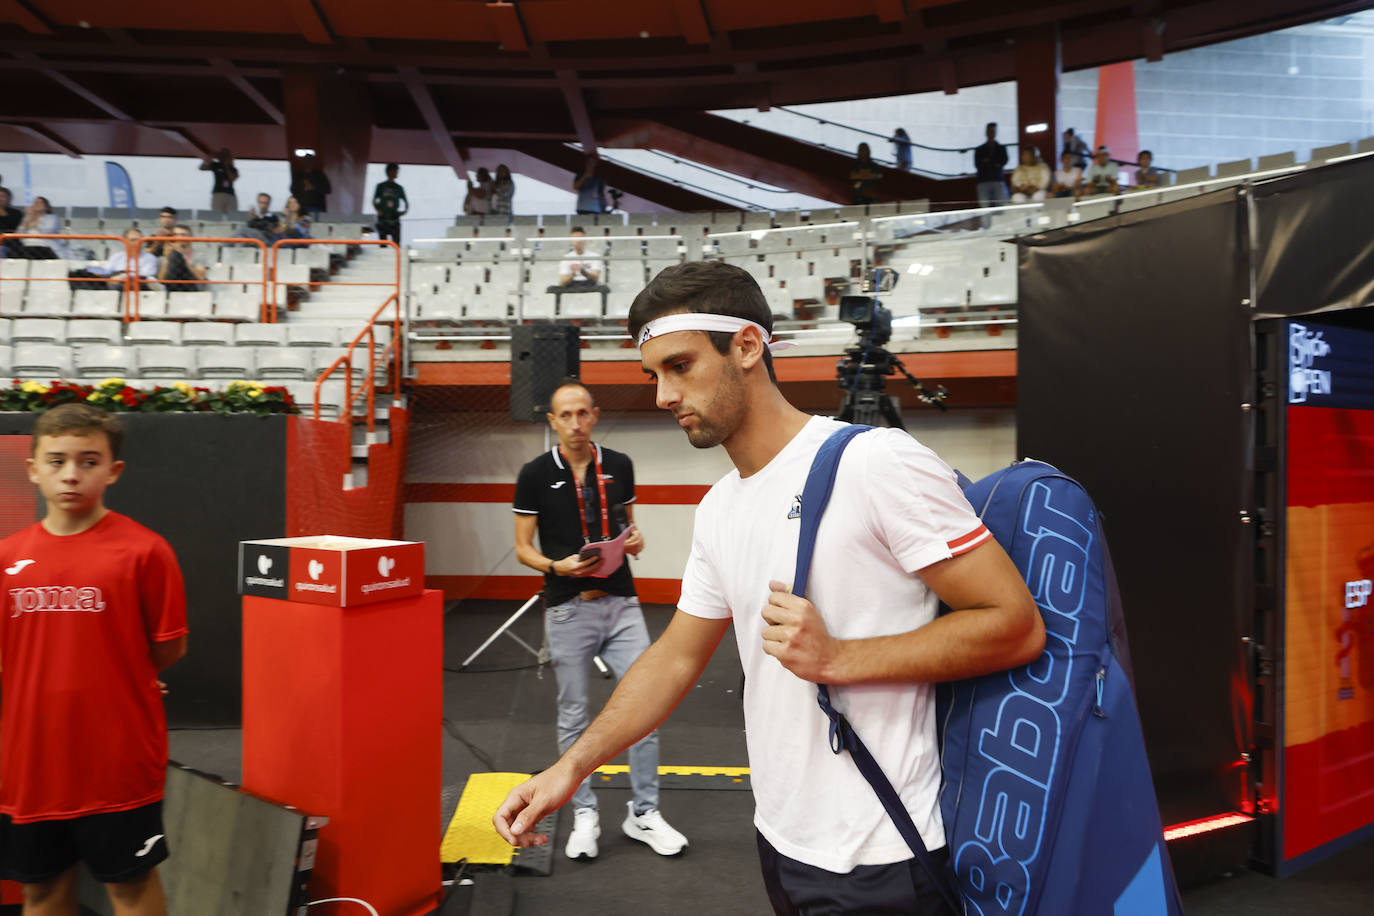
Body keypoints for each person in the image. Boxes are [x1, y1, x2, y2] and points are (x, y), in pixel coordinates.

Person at [494, 261, 1045, 914]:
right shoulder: (721, 507)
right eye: (654, 376)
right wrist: (571, 767)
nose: (664, 395)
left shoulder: (876, 462)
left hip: (886, 853)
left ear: (748, 346)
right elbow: (675, 658)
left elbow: (1014, 623)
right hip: (783, 842)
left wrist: (841, 659)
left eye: (680, 365)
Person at [0, 403, 188, 916]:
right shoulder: (6, 557)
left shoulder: (146, 552)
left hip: (117, 765)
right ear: (33, 467)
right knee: (41, 892)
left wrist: (119, 676)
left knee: (129, 887)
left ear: (113, 471)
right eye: (57, 460)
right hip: (32, 765)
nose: (71, 474)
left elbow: (168, 646)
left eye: (88, 461)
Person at [511, 379, 687, 861]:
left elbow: (631, 528)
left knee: (645, 710)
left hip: (622, 603)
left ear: (594, 415)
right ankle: (583, 812)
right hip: (567, 607)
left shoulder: (620, 466)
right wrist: (555, 565)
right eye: (564, 416)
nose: (574, 423)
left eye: (582, 414)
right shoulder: (533, 474)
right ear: (552, 421)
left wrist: (633, 541)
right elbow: (524, 548)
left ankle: (644, 813)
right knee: (574, 716)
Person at [82, 226, 158, 290]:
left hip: (134, 285)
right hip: (113, 281)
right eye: (133, 240)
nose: (137, 243)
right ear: (125, 242)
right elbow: (107, 270)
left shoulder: (150, 258)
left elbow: (147, 275)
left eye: (140, 240)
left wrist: (123, 276)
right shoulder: (117, 256)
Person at [157, 225, 206, 293]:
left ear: (190, 237)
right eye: (176, 234)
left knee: (176, 256)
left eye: (183, 235)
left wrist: (182, 259)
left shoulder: (198, 255)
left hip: (190, 287)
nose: (179, 237)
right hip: (171, 287)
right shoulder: (168, 254)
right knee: (175, 256)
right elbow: (161, 279)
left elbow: (201, 278)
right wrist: (168, 259)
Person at [973, 122, 1008, 211]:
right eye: (989, 131)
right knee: (984, 208)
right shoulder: (979, 149)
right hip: (983, 180)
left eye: (993, 131)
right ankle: (986, 225)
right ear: (986, 132)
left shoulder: (1001, 148)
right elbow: (978, 164)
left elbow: (1003, 161)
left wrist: (988, 161)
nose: (991, 133)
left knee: (1002, 205)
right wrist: (993, 163)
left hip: (997, 180)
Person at [372, 163, 408, 245]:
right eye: (395, 171)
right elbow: (374, 200)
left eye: (397, 171)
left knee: (396, 243)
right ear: (389, 172)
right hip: (383, 217)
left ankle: (396, 256)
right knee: (383, 242)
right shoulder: (380, 186)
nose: (397, 173)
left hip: (394, 217)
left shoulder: (399, 188)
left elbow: (406, 202)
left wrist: (403, 212)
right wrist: (378, 210)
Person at [0, 187, 23, 258]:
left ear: (9, 199)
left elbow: (12, 226)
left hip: (9, 242)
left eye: (3, 196)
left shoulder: (16, 213)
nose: (0, 198)